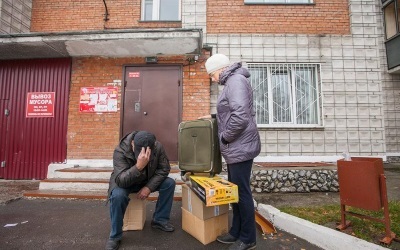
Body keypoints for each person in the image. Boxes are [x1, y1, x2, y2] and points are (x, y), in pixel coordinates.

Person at [200, 54, 261, 250]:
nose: (212, 78)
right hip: (237, 147)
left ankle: (248, 238)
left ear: (220, 70)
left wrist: (225, 137)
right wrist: (212, 116)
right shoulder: (233, 82)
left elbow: (240, 116)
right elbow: (231, 111)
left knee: (242, 193)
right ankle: (236, 231)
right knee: (236, 192)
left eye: (211, 74)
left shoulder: (235, 81)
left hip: (240, 146)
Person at [105, 131, 175, 250]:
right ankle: (115, 236)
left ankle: (160, 220)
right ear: (132, 144)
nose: (144, 155)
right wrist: (139, 166)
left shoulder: (157, 147)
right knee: (117, 196)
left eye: (148, 152)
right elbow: (121, 180)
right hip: (126, 182)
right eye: (140, 152)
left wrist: (149, 187)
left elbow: (164, 169)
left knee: (169, 183)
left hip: (147, 180)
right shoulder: (120, 151)